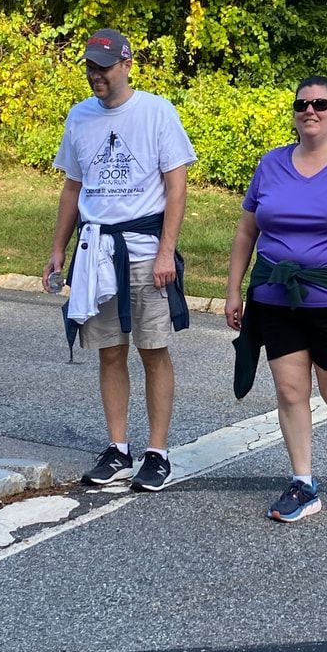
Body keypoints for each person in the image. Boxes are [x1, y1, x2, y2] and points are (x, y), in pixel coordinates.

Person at [225, 75, 327, 522]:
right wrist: (233, 290)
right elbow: (246, 232)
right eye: (302, 105)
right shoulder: (271, 164)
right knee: (289, 390)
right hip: (275, 298)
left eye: (320, 104)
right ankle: (303, 483)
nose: (310, 111)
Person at [43, 28, 197, 492]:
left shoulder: (156, 112)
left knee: (153, 349)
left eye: (104, 68)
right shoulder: (80, 117)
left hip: (145, 250)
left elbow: (176, 185)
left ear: (127, 66)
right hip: (97, 252)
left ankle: (158, 452)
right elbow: (73, 187)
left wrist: (166, 250)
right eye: (91, 67)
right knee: (110, 351)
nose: (97, 76)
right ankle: (118, 449)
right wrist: (58, 249)